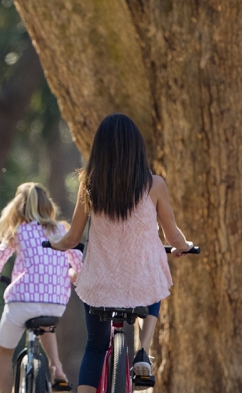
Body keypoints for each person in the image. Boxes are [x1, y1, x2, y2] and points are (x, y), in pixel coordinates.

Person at [49, 113, 194, 393]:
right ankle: (143, 351)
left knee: (94, 345)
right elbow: (172, 235)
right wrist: (184, 246)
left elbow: (73, 237)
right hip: (140, 284)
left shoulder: (89, 185)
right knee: (156, 271)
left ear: (100, 149)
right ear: (137, 147)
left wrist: (57, 244)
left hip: (99, 284)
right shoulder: (155, 185)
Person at [0, 182, 82, 393]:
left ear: (19, 207)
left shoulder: (19, 231)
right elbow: (79, 265)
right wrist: (69, 275)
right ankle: (57, 368)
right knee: (45, 327)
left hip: (22, 301)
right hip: (55, 303)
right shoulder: (61, 230)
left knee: (3, 351)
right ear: (47, 206)